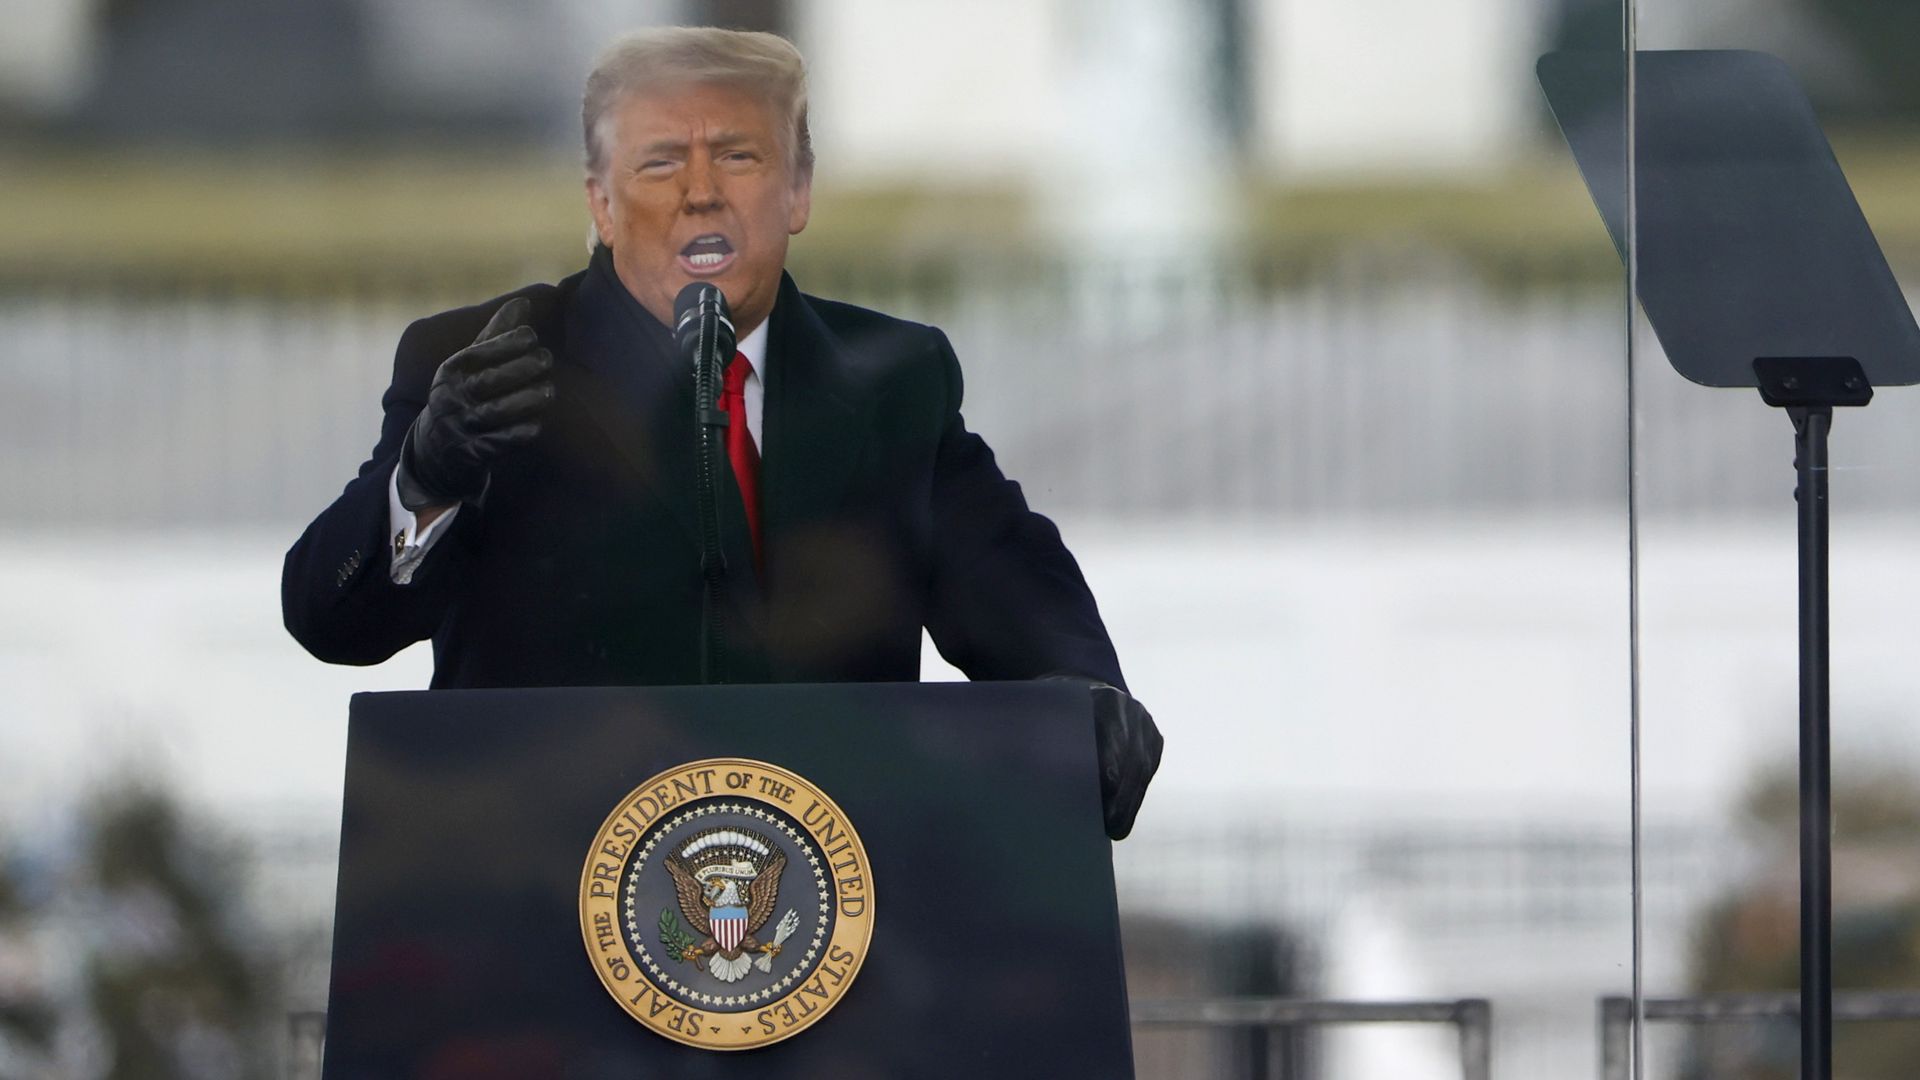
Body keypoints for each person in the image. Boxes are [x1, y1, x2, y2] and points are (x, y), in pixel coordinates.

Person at [280, 27, 1161, 839]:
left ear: (799, 191)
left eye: (738, 156)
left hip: (831, 911)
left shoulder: (894, 377)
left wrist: (1080, 687)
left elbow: (1004, 567)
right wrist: (424, 476)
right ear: (601, 200)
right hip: (539, 898)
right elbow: (329, 617)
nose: (702, 192)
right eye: (661, 163)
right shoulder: (480, 361)